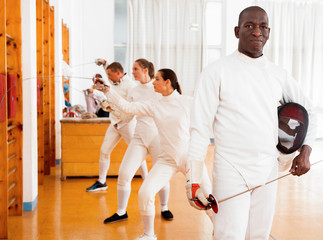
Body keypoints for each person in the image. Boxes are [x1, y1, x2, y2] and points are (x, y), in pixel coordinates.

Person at [185, 6, 317, 240]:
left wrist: (305, 150)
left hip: (268, 168)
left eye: (262, 26)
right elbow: (199, 128)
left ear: (269, 32)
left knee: (259, 235)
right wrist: (193, 179)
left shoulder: (278, 74)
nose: (257, 32)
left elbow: (309, 112)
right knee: (229, 235)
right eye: (250, 26)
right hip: (231, 169)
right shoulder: (216, 71)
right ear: (237, 31)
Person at [98, 68, 212, 240]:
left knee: (208, 197)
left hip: (190, 158)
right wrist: (108, 90)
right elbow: (127, 107)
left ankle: (221, 230)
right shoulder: (154, 104)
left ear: (168, 82)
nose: (153, 82)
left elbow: (209, 115)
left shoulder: (187, 102)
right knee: (145, 193)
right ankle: (149, 235)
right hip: (167, 160)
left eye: (157, 79)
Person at [103, 59, 173, 223]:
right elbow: (127, 116)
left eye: (135, 69)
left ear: (145, 70)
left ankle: (164, 207)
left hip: (157, 138)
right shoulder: (134, 91)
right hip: (139, 137)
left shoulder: (158, 88)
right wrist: (111, 108)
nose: (132, 71)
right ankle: (121, 212)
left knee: (161, 175)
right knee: (124, 174)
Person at [86, 61, 148, 192]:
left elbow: (128, 111)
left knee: (137, 153)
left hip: (127, 124)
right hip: (114, 124)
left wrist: (111, 108)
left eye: (109, 74)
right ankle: (102, 182)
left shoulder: (130, 86)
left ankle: (147, 181)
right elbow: (110, 77)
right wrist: (104, 64)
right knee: (104, 151)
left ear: (118, 73)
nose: (107, 77)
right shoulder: (114, 81)